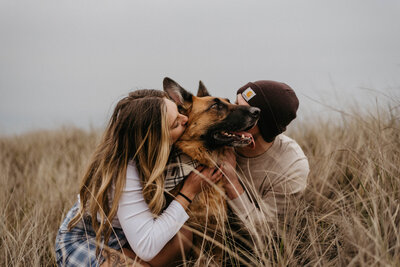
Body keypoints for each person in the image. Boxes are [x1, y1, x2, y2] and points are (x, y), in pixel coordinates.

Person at [55, 89, 222, 267]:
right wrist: (188, 192)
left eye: (179, 112)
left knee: (183, 236)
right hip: (88, 240)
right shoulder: (124, 172)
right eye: (175, 124)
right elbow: (147, 247)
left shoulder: (154, 153)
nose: (185, 119)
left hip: (124, 234)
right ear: (158, 140)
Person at [222, 80, 309, 233]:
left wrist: (231, 182)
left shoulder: (292, 166)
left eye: (245, 111)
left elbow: (264, 233)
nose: (231, 114)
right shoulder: (222, 137)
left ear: (264, 126)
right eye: (235, 103)